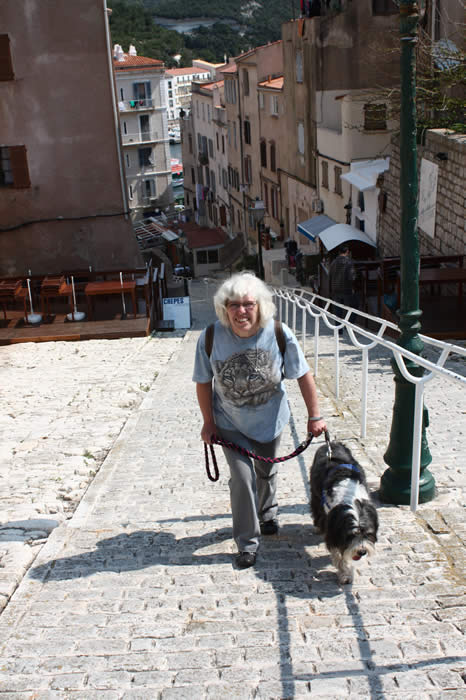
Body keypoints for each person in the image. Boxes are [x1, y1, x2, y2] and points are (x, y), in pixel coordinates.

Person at [193, 272, 327, 569]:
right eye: (234, 304)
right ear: (224, 308)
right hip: (229, 422)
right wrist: (208, 422)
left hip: (270, 419)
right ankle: (247, 543)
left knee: (265, 471)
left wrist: (314, 415)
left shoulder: (278, 333)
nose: (241, 311)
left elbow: (303, 374)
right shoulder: (211, 337)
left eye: (248, 304)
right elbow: (203, 381)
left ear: (260, 306)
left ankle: (267, 512)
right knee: (242, 479)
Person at [329, 244, 357, 333]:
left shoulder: (333, 263)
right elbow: (352, 277)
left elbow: (330, 276)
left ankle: (339, 330)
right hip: (346, 289)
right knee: (353, 307)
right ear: (347, 252)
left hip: (335, 289)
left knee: (338, 310)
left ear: (339, 252)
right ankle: (348, 325)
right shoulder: (349, 262)